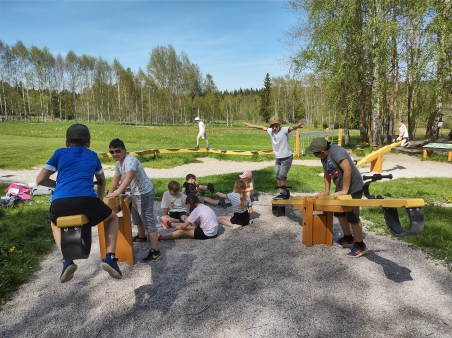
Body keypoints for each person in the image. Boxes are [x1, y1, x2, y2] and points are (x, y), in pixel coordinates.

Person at [36, 123, 122, 283]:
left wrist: (58, 185)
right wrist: (99, 201)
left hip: (60, 202)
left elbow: (40, 179)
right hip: (86, 200)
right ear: (88, 143)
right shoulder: (92, 155)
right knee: (112, 218)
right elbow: (101, 180)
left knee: (55, 223)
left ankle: (66, 260)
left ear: (67, 143)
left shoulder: (59, 153)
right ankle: (110, 257)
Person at [305, 137, 368, 258]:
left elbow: (347, 168)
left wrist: (345, 190)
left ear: (323, 151)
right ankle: (348, 237)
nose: (314, 155)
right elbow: (326, 173)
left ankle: (360, 245)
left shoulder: (336, 151)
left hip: (353, 187)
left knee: (353, 216)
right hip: (341, 188)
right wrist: (326, 191)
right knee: (339, 213)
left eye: (315, 153)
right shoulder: (324, 157)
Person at [106, 138, 161, 263]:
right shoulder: (119, 163)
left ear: (124, 150)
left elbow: (129, 177)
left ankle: (156, 250)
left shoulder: (130, 160)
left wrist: (117, 192)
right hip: (135, 193)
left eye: (117, 151)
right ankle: (142, 236)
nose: (115, 154)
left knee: (147, 220)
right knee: (136, 216)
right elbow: (115, 180)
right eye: (112, 152)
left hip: (144, 193)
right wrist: (110, 194)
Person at [244, 116, 304, 199]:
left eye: (276, 126)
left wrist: (298, 124)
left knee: (282, 175)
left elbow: (292, 127)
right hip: (278, 158)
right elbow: (262, 127)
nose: (274, 128)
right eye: (272, 127)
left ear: (279, 125)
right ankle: (281, 192)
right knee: (277, 175)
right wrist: (250, 125)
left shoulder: (284, 130)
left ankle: (283, 193)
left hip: (286, 157)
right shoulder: (271, 131)